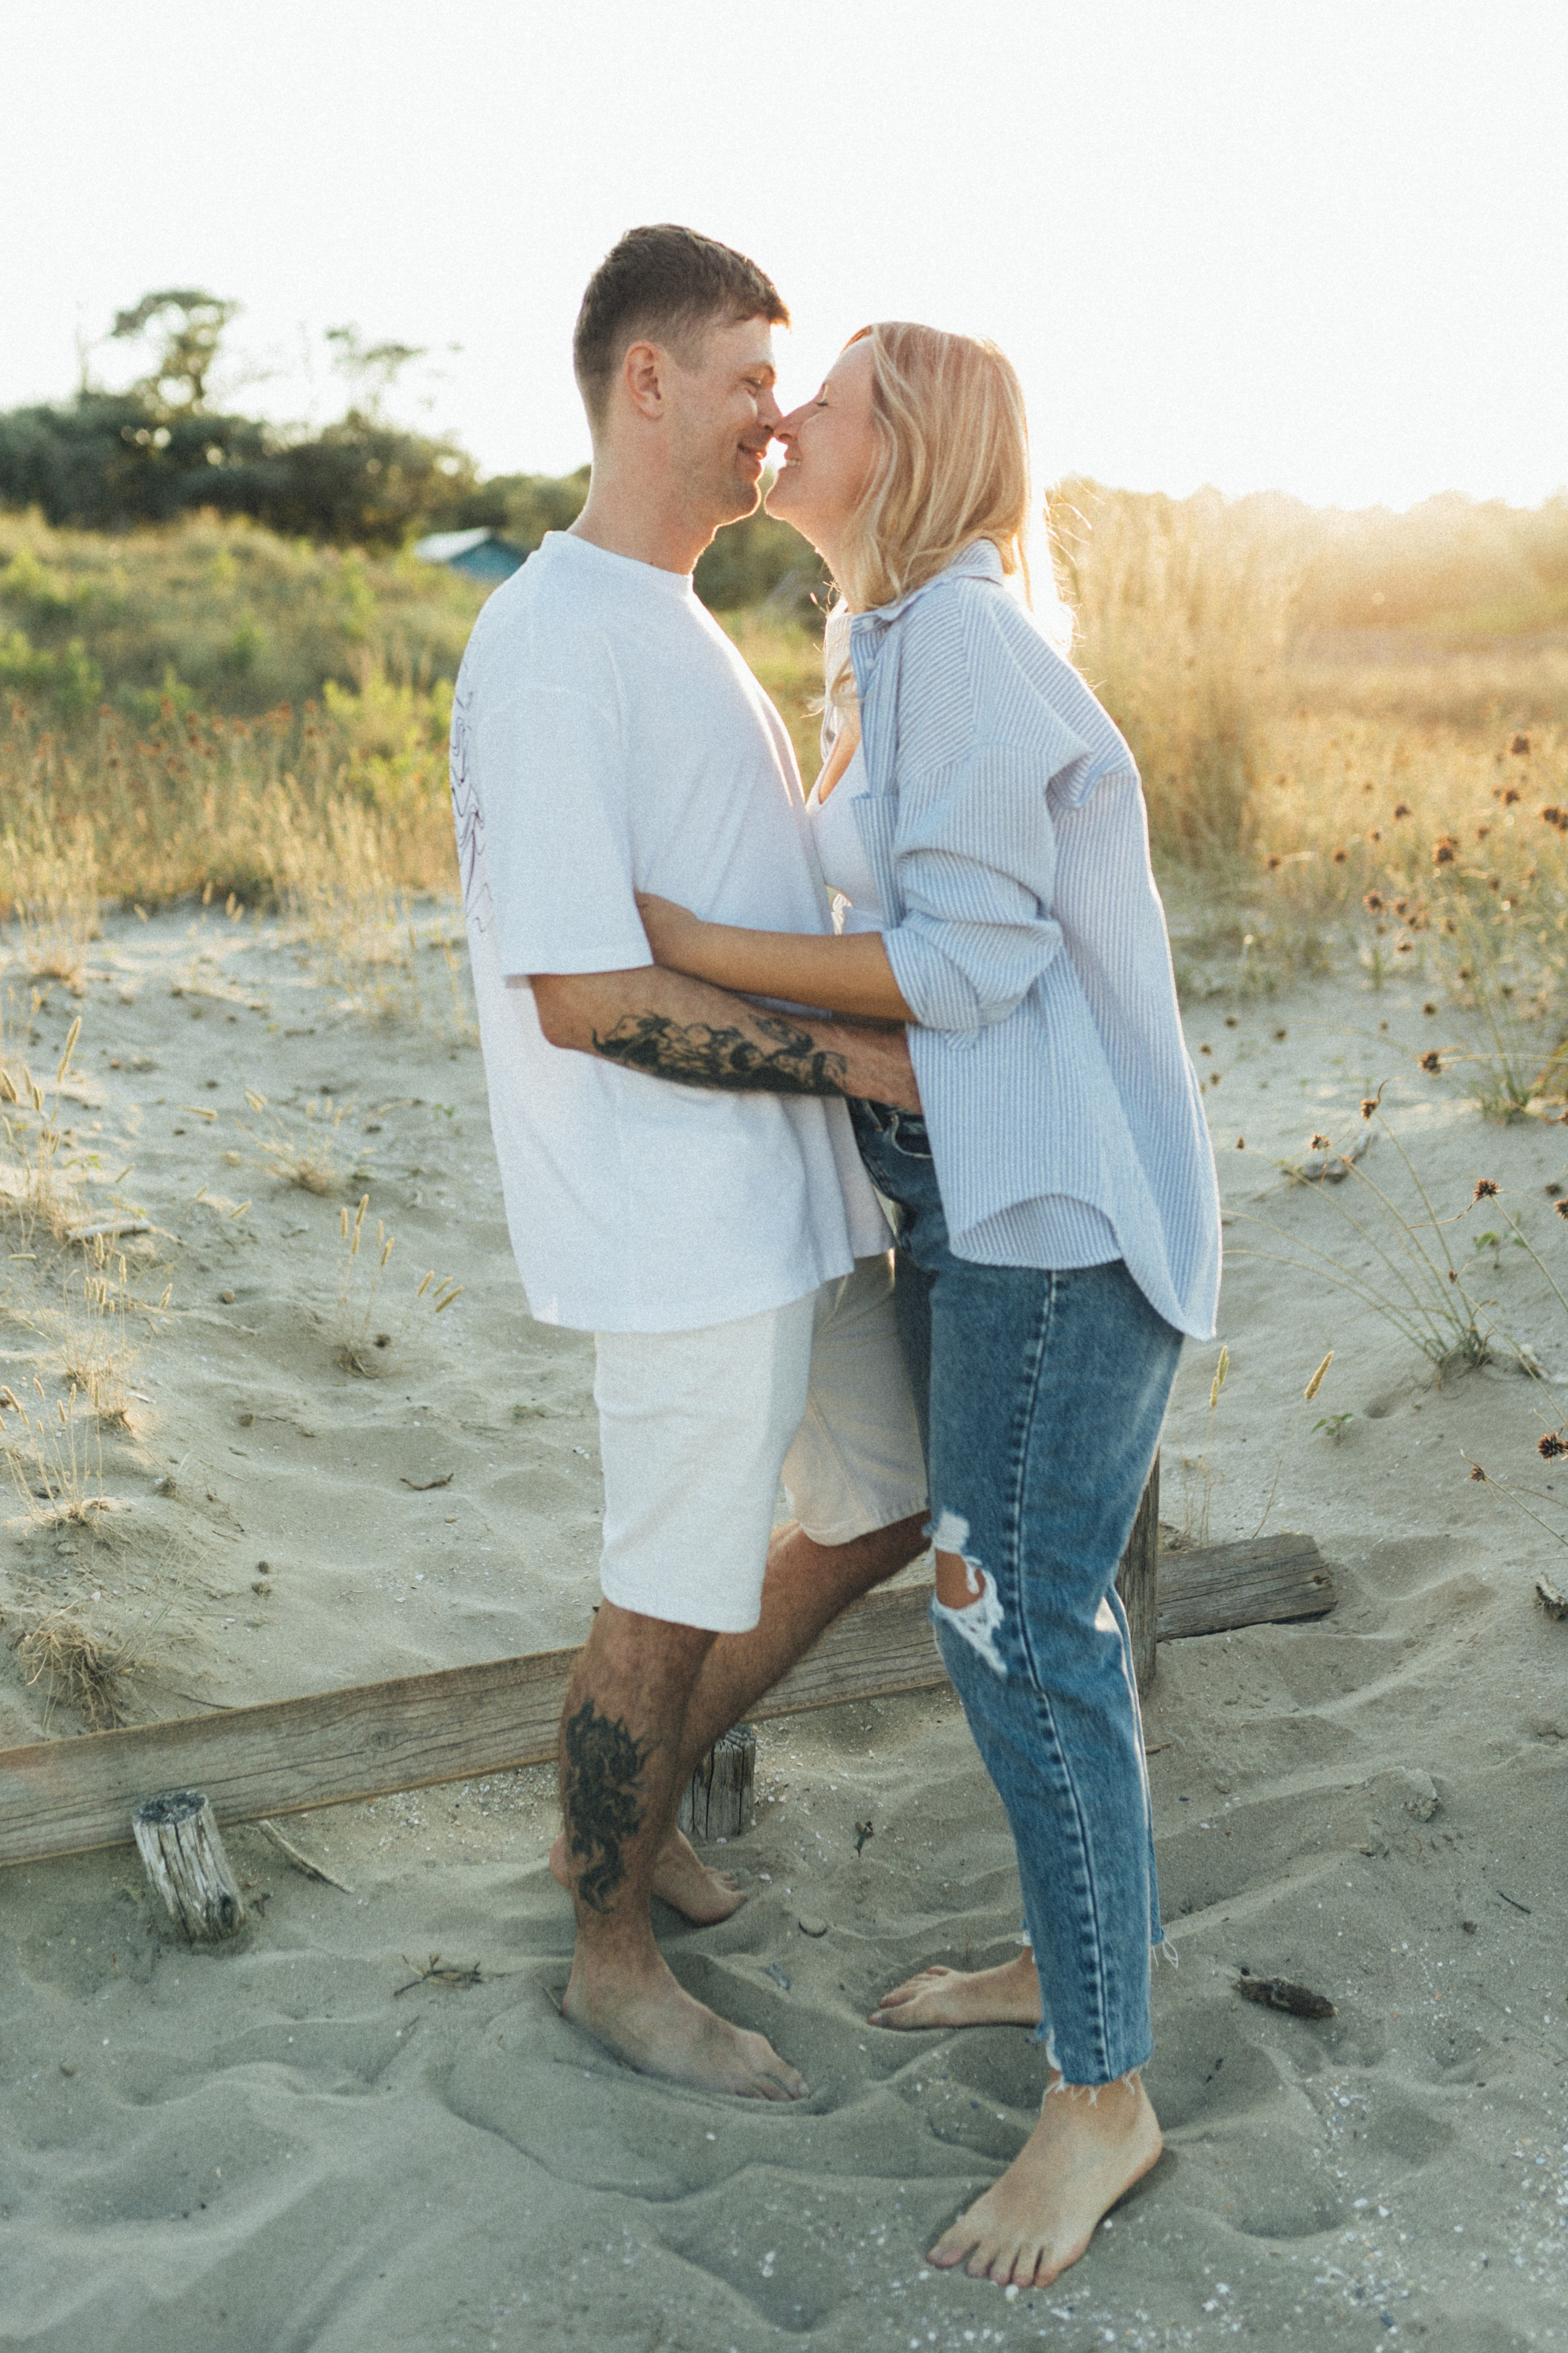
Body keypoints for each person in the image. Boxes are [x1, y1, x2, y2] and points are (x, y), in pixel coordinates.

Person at [636, 322, 1221, 2281]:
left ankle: (1103, 2098)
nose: (788, 416)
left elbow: (968, 963)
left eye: (833, 396)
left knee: (1015, 1615)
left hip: (1049, 1224)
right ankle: (1078, 1974)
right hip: (985, 1219)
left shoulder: (958, 644)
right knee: (1007, 1627)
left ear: (910, 448)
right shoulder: (901, 646)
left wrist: (682, 947)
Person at [450, 230, 930, 2104]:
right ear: (644, 381)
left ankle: (629, 1819)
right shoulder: (554, 643)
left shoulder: (668, 614)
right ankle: (609, 1951)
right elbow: (581, 992)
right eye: (745, 379)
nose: (771, 420)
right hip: (674, 1226)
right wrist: (858, 1053)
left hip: (785, 1202)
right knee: (662, 1588)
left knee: (896, 1485)